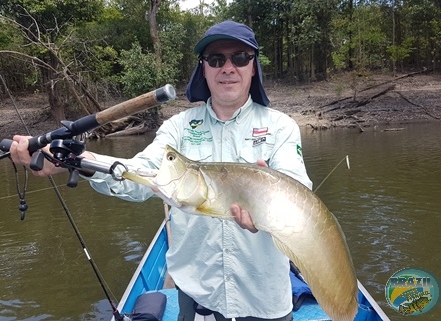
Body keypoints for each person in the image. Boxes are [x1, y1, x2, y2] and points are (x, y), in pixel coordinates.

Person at [10, 20, 313, 320]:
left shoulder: (281, 127)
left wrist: (270, 208)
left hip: (263, 299)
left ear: (253, 66)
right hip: (195, 296)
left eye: (240, 57)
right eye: (216, 59)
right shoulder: (177, 128)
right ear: (203, 68)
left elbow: (300, 196)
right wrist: (77, 161)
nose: (228, 67)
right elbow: (139, 175)